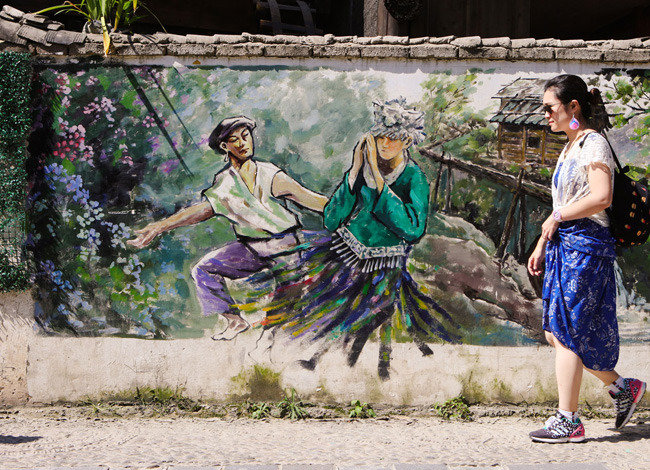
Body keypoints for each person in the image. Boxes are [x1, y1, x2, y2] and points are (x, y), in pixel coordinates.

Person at [240, 98, 461, 379]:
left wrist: (380, 185)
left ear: (406, 141)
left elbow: (413, 229)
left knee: (370, 314)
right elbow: (332, 218)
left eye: (393, 139)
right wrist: (355, 170)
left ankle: (378, 369)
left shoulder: (413, 177)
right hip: (344, 253)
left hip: (386, 265)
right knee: (315, 300)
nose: (384, 144)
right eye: (380, 137)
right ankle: (290, 353)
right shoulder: (364, 170)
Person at [128, 116, 327, 339]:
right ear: (225, 146)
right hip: (251, 249)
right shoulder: (225, 182)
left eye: (246, 136)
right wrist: (159, 227)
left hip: (286, 245)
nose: (243, 143)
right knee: (203, 269)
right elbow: (201, 210)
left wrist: (349, 212)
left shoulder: (268, 173)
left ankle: (274, 341)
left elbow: (310, 199)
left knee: (283, 314)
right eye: (235, 140)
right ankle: (234, 321)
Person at [527, 74, 646, 443]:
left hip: (587, 249)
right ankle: (623, 388)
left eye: (550, 107)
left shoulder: (593, 143)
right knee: (558, 332)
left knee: (566, 334)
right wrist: (544, 241)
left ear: (573, 107)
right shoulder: (570, 147)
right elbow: (563, 207)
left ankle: (568, 420)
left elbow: (601, 197)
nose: (545, 114)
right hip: (567, 246)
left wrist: (557, 218)